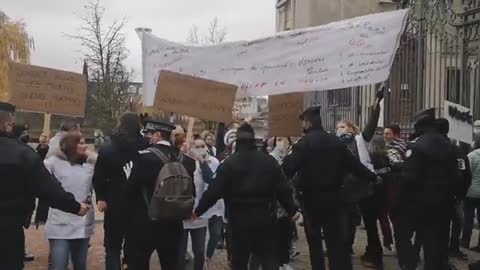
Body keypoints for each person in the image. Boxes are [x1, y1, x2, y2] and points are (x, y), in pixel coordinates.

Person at [282, 106, 379, 270]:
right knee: (336, 244)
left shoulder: (303, 144)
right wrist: (373, 177)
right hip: (335, 199)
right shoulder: (336, 142)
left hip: (310, 201)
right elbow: (355, 165)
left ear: (307, 123)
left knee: (315, 245)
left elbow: (287, 170)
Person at [194, 123, 299, 270]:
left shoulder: (229, 164)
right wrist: (292, 210)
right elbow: (283, 189)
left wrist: (198, 210)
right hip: (264, 218)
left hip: (238, 221)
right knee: (268, 259)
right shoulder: (268, 161)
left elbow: (214, 191)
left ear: (237, 141)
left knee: (239, 261)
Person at [0, 102, 90, 270]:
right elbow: (47, 188)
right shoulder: (22, 154)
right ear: (7, 125)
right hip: (8, 227)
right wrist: (75, 207)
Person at [124, 120, 195, 270]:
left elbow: (129, 192)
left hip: (146, 221)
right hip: (174, 222)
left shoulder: (143, 157)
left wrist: (129, 175)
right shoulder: (187, 160)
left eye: (150, 134)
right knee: (171, 264)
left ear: (157, 135)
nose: (148, 138)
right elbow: (191, 191)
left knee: (139, 263)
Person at [393, 109, 459, 270]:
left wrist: (398, 203)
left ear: (419, 126)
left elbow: (408, 179)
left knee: (405, 236)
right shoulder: (449, 146)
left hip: (418, 204)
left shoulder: (417, 146)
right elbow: (456, 176)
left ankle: (408, 264)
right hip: (444, 203)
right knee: (435, 244)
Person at [92, 112, 149, 270]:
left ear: (120, 125)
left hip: (114, 201)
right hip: (139, 203)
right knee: (134, 248)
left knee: (112, 248)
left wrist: (101, 197)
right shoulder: (146, 146)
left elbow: (99, 176)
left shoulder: (108, 147)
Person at [336, 88, 382, 267]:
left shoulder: (359, 139)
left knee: (370, 223)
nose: (340, 129)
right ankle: (345, 249)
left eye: (343, 126)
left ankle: (374, 254)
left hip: (364, 188)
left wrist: (377, 104)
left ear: (351, 128)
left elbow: (371, 124)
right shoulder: (334, 143)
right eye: (338, 127)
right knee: (347, 223)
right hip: (346, 189)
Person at [44, 133, 96, 270]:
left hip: (82, 222)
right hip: (60, 222)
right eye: (80, 143)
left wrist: (94, 157)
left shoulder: (89, 163)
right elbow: (41, 180)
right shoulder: (53, 162)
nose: (84, 146)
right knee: (59, 265)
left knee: (80, 265)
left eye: (85, 142)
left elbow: (105, 171)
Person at [177, 138, 220, 270]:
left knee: (199, 251)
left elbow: (210, 180)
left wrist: (202, 162)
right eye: (197, 146)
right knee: (180, 252)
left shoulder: (206, 163)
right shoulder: (181, 161)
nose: (200, 149)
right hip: (182, 213)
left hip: (198, 214)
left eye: (202, 146)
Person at [463, 138, 480, 252]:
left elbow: (466, 174)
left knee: (468, 218)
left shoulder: (472, 155)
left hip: (471, 192)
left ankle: (465, 242)